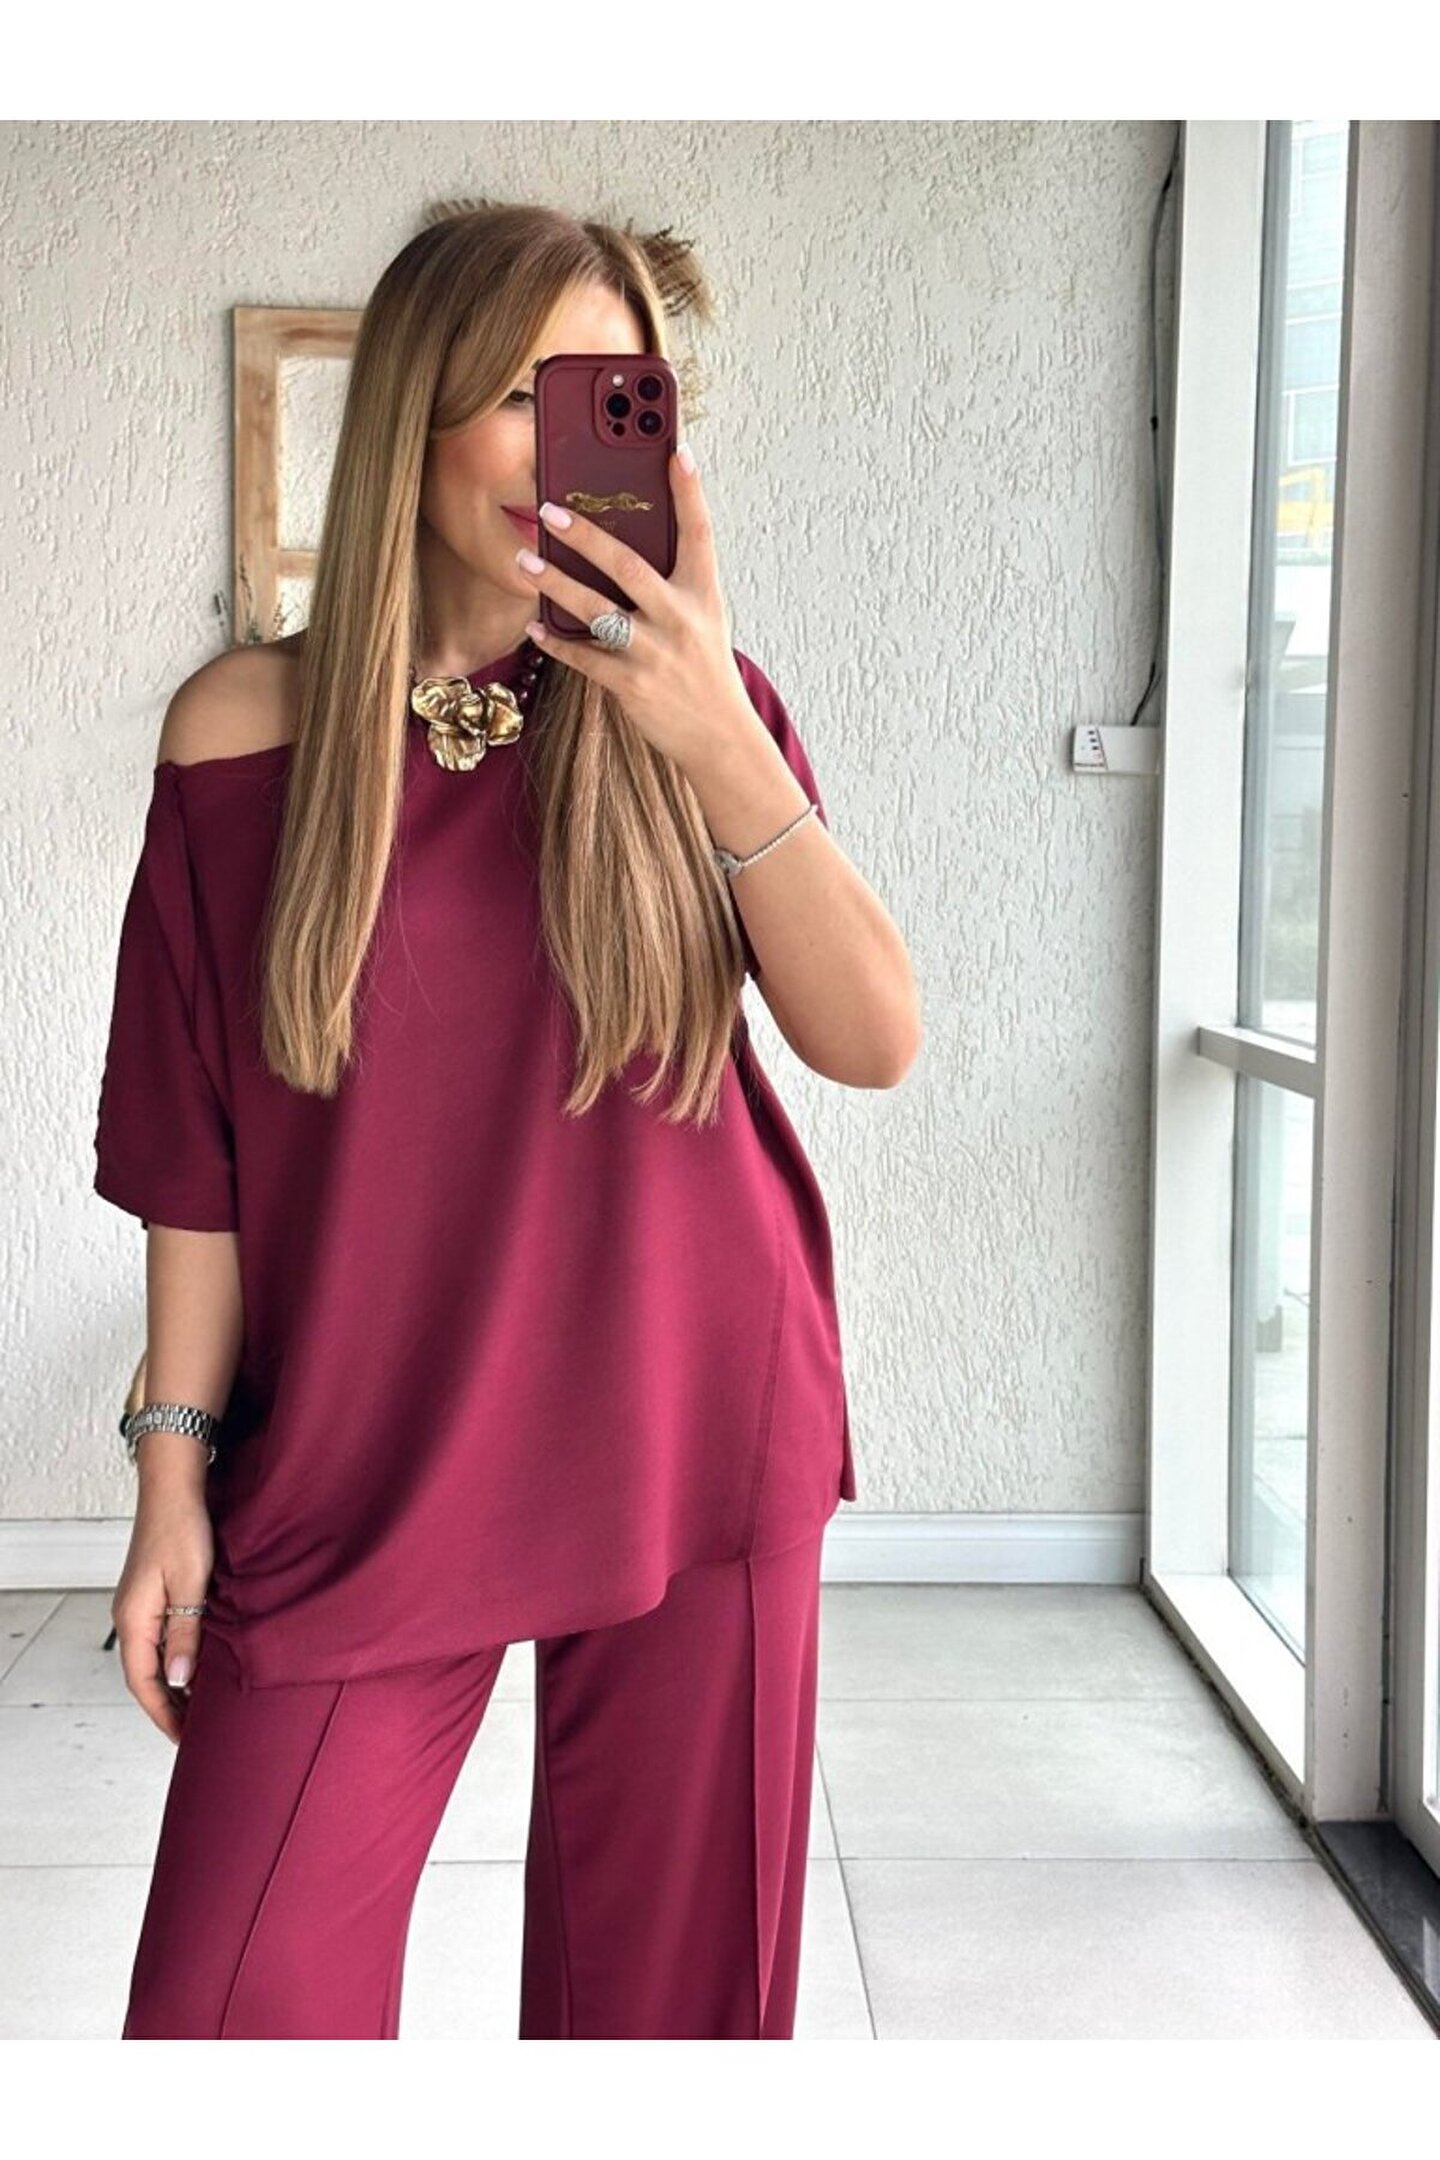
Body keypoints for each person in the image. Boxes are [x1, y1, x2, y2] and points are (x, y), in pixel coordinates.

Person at [93, 201, 920, 2040]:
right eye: (525, 397)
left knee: (670, 2033)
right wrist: (170, 1472)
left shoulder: (698, 717)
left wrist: (713, 731)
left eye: (612, 399)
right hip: (370, 1463)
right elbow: (191, 1157)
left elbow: (872, 1038)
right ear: (416, 414)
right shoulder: (242, 736)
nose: (569, 447)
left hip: (693, 1428)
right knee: (233, 2023)